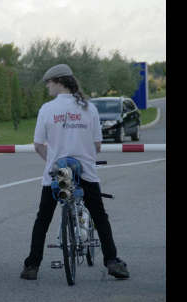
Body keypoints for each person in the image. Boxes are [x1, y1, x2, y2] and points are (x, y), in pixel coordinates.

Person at [20, 64, 129, 280]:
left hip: (58, 172)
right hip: (85, 172)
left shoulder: (47, 109)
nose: (47, 87)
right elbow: (98, 145)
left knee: (43, 218)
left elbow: (38, 145)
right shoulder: (89, 108)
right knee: (99, 216)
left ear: (59, 82)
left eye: (49, 83)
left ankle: (32, 265)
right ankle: (112, 261)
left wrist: (51, 161)